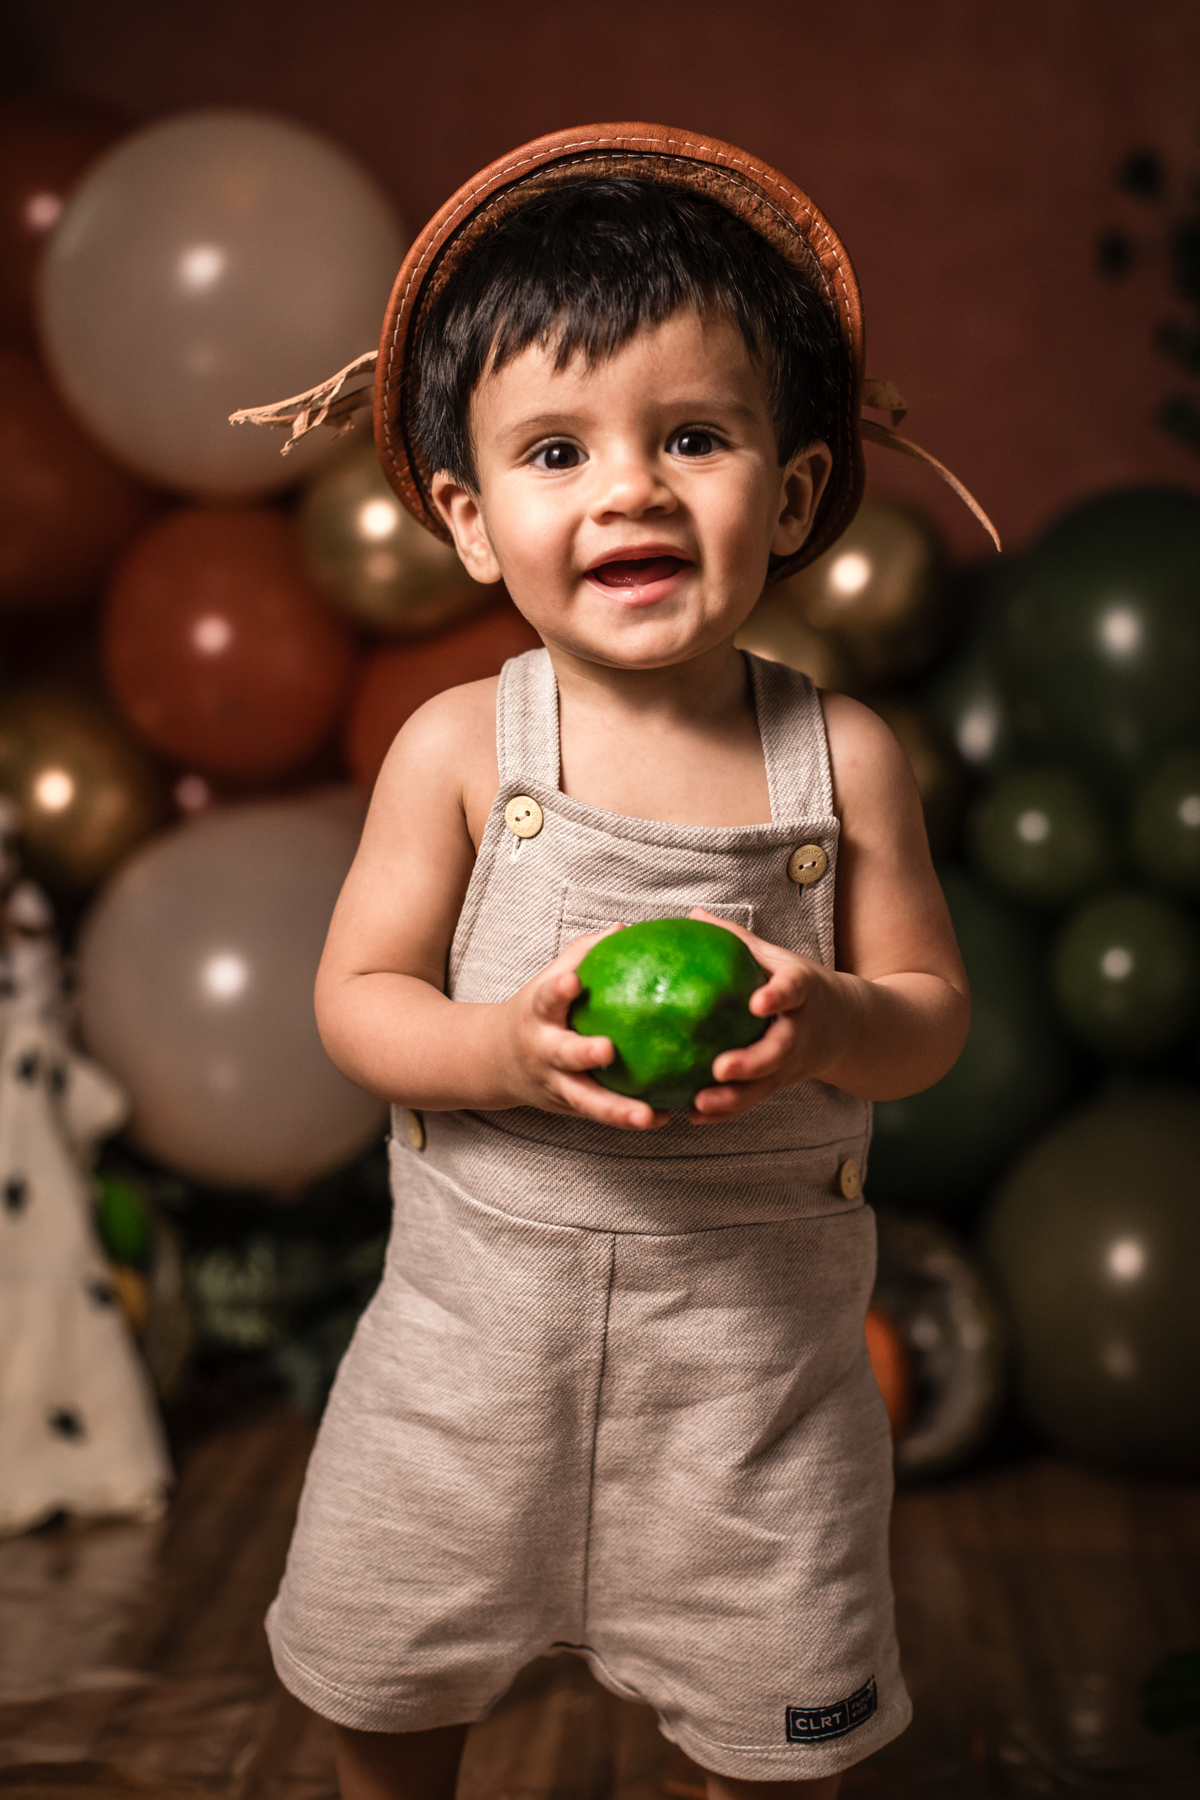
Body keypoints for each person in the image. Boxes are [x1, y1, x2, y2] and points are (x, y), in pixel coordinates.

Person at [258, 125, 978, 1800]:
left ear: (791, 494)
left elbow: (932, 1023)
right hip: (467, 1364)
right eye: (558, 451)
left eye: (697, 437)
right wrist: (500, 1053)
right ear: (470, 519)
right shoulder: (457, 748)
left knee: (774, 1726)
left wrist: (836, 1024)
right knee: (382, 1681)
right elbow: (356, 1001)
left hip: (750, 1393)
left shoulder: (842, 759)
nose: (631, 489)